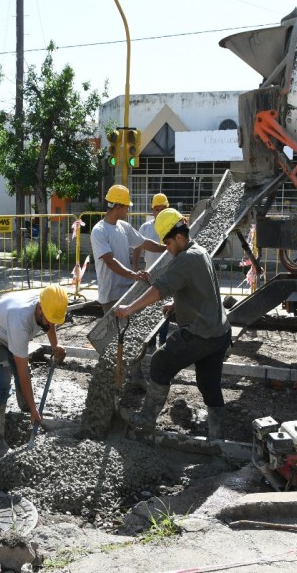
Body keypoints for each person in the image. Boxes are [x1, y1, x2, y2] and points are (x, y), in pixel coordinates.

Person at [114, 208, 232, 439]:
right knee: (209, 385)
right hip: (219, 333)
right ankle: (217, 438)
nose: (167, 248)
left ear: (179, 237)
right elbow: (202, 289)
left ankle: (147, 419)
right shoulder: (200, 251)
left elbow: (159, 289)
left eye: (167, 243)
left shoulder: (185, 259)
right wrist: (176, 306)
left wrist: (128, 309)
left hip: (201, 334)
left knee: (159, 362)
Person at [0, 284, 68, 457]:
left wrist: (56, 346)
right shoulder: (21, 321)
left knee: (21, 371)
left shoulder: (47, 302)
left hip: (6, 330)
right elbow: (23, 371)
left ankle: (25, 409)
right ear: (39, 308)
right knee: (3, 383)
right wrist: (35, 407)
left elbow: (50, 322)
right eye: (48, 318)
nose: (50, 323)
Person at [90, 184, 165, 314]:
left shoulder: (124, 227)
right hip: (110, 295)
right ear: (118, 207)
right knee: (115, 332)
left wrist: (167, 248)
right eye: (127, 207)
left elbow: (145, 243)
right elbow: (109, 261)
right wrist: (133, 275)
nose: (128, 210)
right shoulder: (99, 231)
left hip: (127, 290)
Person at [132, 192, 172, 347]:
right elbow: (137, 246)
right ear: (152, 210)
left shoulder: (172, 227)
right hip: (150, 275)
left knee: (164, 309)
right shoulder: (146, 228)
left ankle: (162, 340)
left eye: (163, 209)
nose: (159, 212)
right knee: (149, 308)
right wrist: (135, 266)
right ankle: (150, 340)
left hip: (167, 276)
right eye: (157, 209)